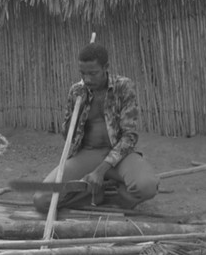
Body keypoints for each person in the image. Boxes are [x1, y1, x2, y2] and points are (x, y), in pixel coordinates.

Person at [33, 43, 159, 212]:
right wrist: (77, 110)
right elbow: (67, 134)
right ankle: (95, 195)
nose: (87, 79)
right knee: (41, 199)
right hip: (88, 153)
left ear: (106, 68)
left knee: (147, 186)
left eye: (93, 73)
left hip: (119, 155)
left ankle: (108, 196)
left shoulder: (124, 87)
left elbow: (129, 136)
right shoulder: (76, 91)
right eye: (83, 74)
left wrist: (100, 171)